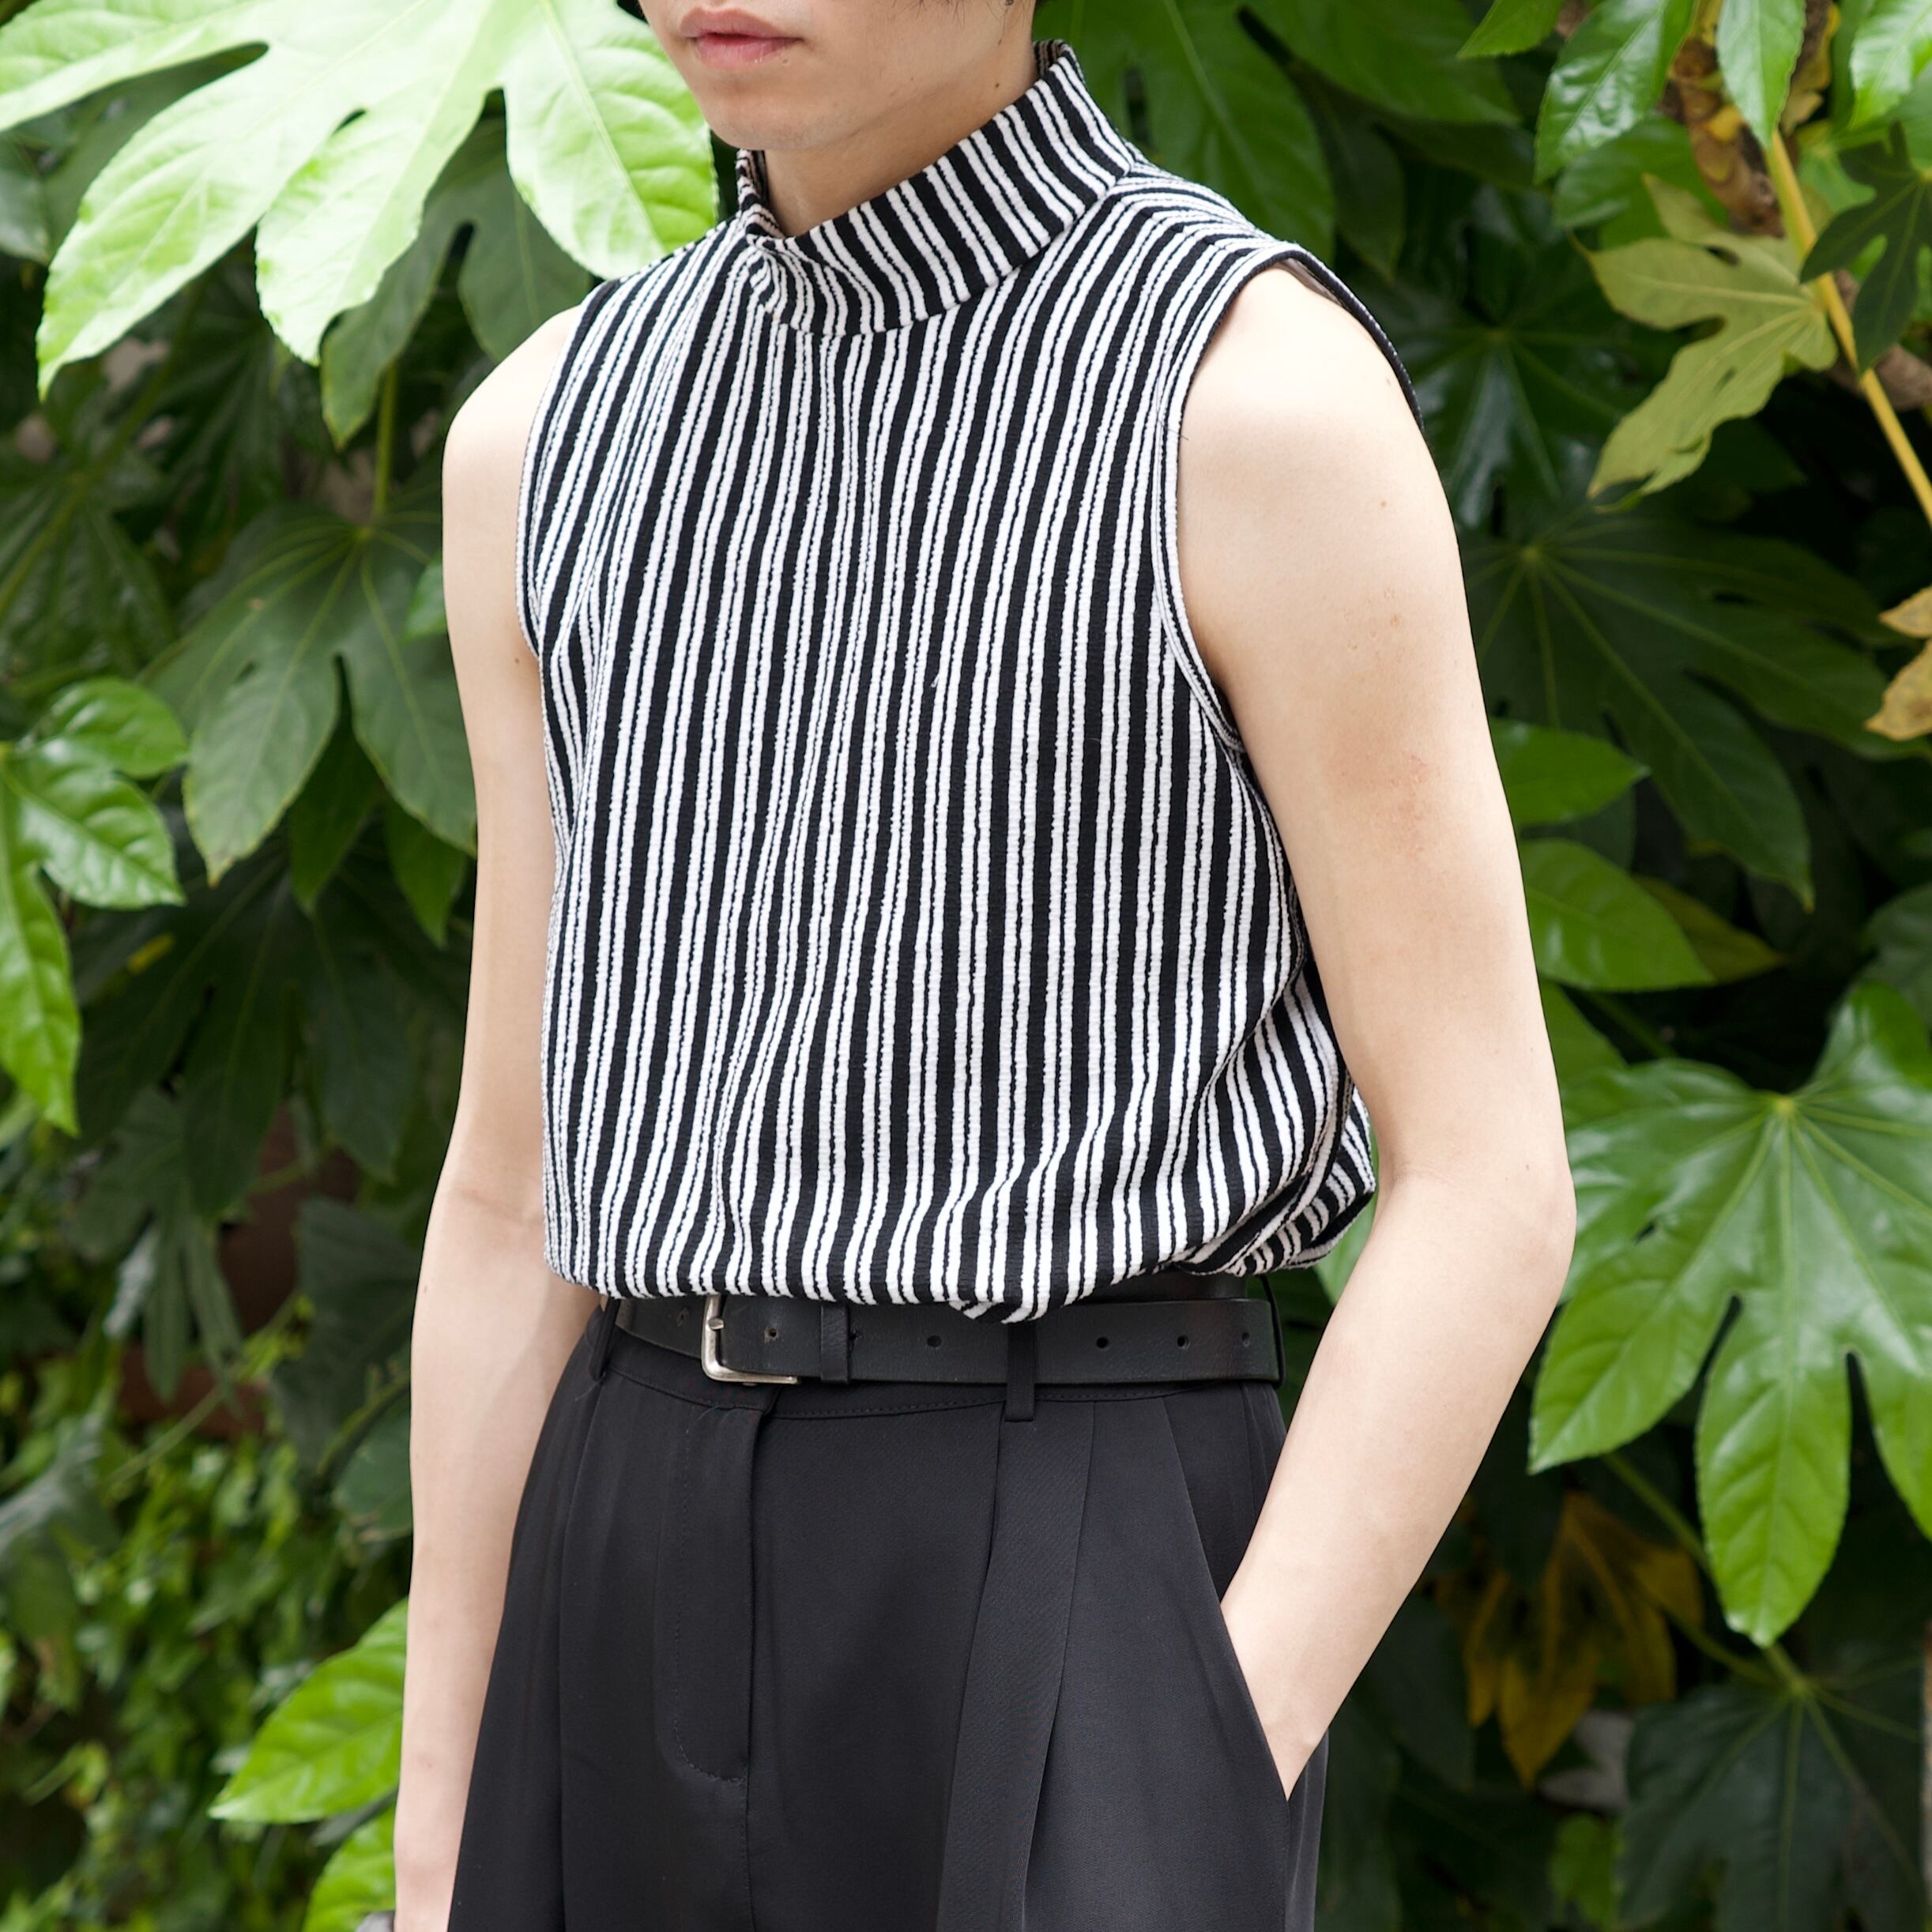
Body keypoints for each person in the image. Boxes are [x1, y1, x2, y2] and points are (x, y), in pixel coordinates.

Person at [394, 4, 1576, 1929]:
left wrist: (1188, 1754)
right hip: (617, 1543)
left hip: (1067, 1528)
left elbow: (1487, 1175)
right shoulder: (544, 437)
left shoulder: (1243, 398)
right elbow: (513, 1184)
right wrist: (439, 1832)